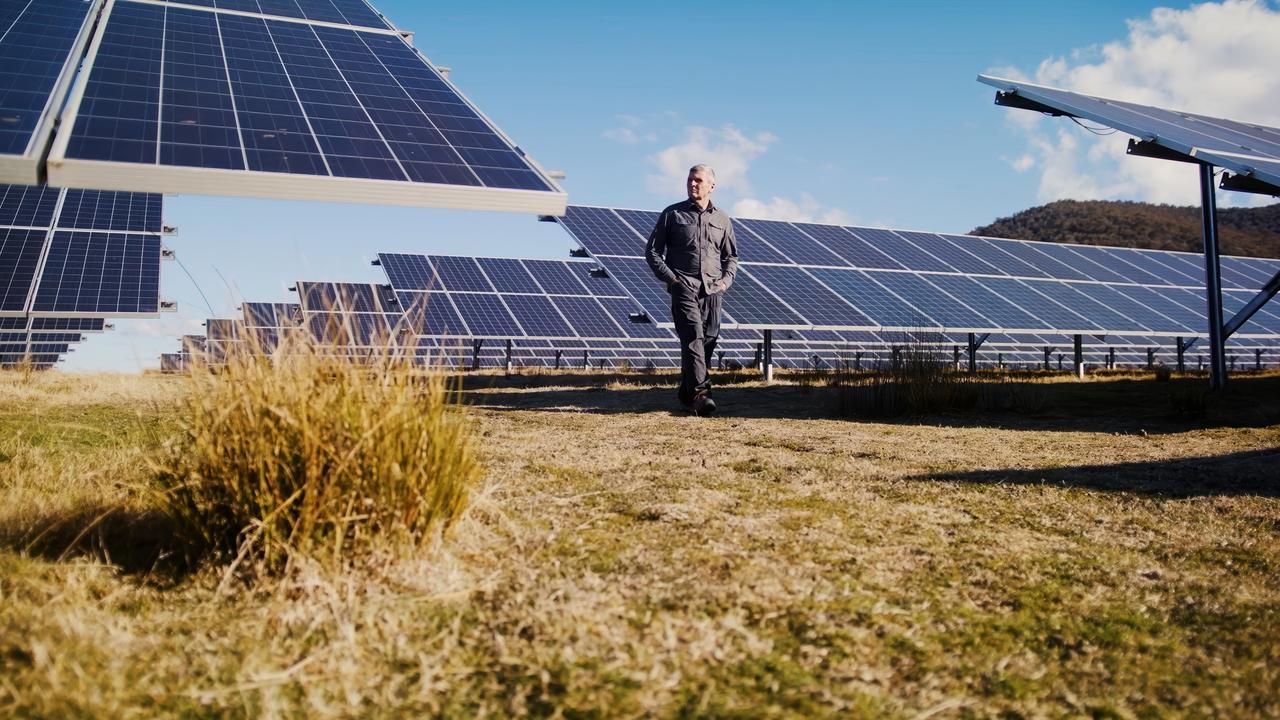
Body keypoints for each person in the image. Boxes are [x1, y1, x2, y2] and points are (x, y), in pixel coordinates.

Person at [645, 164, 738, 416]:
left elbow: (731, 257)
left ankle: (686, 393)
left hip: (713, 289)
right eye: (689, 180)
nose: (692, 184)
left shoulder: (723, 219)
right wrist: (672, 280)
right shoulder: (672, 214)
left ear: (711, 186)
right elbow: (652, 251)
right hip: (683, 286)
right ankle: (701, 393)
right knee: (693, 337)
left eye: (698, 180)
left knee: (708, 339)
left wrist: (724, 282)